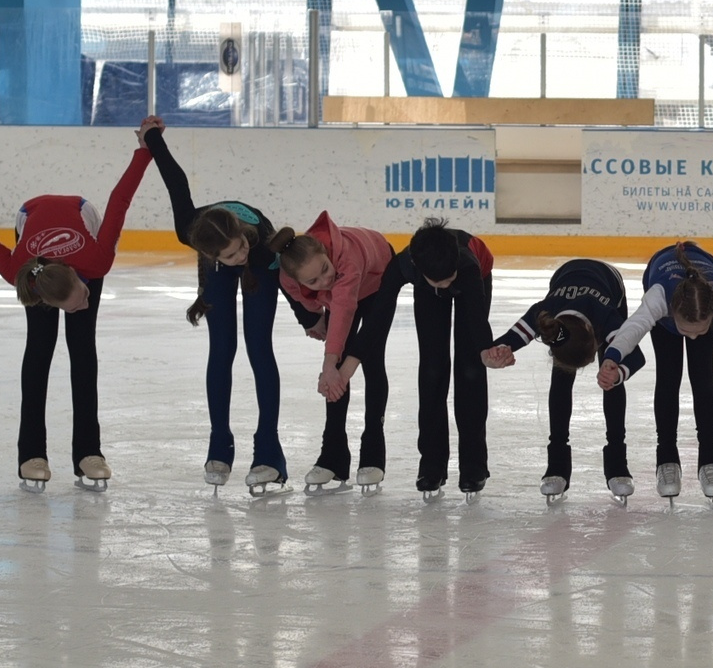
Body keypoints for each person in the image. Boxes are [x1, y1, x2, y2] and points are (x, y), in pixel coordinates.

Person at [0, 140, 152, 488]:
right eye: (74, 304)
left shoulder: (96, 261)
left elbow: (119, 199)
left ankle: (88, 453)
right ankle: (31, 454)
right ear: (46, 299)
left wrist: (145, 149)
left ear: (82, 281)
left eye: (83, 297)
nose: (84, 304)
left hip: (80, 214)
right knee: (39, 349)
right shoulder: (19, 270)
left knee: (82, 348)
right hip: (30, 218)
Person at [140, 115, 294, 493]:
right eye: (231, 254)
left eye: (239, 246)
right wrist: (152, 138)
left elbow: (290, 275)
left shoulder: (257, 245)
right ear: (211, 254)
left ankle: (269, 451)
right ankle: (219, 442)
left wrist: (309, 318)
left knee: (259, 348)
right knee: (222, 347)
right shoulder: (191, 233)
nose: (239, 255)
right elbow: (177, 181)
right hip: (214, 259)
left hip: (265, 253)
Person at [599, 241, 713, 502]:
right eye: (687, 330)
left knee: (703, 378)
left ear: (712, 317)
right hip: (662, 285)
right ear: (672, 313)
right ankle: (667, 459)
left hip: (700, 294)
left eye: (702, 330)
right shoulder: (659, 297)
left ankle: (710, 460)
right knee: (668, 378)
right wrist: (612, 356)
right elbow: (634, 327)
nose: (694, 338)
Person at [483, 258, 638, 504]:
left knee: (612, 375)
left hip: (609, 282)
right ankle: (556, 467)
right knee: (561, 380)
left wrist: (616, 372)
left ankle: (618, 466)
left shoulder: (606, 315)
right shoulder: (546, 312)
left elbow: (635, 355)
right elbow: (508, 339)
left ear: (594, 335)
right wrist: (496, 352)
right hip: (565, 278)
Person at [271, 215, 408, 491]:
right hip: (343, 293)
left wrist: (329, 366)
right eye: (314, 279)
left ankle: (373, 452)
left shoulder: (347, 259)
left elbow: (344, 308)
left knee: (370, 360)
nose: (325, 278)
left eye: (324, 268)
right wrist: (316, 320)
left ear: (326, 253)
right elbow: (314, 303)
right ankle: (333, 456)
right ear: (298, 281)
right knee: (336, 366)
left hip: (379, 280)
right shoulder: (288, 280)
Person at [408, 217, 494, 499]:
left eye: (449, 279)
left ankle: (473, 467)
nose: (446, 285)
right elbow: (380, 313)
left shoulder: (467, 266)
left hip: (476, 275)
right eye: (440, 282)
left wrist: (486, 351)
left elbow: (477, 320)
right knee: (432, 369)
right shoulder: (406, 265)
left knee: (470, 368)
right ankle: (431, 466)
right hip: (427, 281)